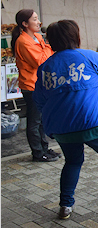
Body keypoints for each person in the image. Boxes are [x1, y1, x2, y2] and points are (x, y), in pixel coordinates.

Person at [33, 20, 98, 220]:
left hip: (63, 127)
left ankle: (65, 205)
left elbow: (39, 101)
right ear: (75, 37)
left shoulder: (45, 67)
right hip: (93, 121)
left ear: (50, 41)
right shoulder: (88, 56)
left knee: (72, 162)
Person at [12, 9, 58, 162]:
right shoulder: (23, 41)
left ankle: (44, 148)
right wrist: (46, 48)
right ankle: (38, 152)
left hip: (40, 84)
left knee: (42, 119)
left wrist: (45, 48)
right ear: (25, 24)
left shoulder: (38, 37)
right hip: (30, 86)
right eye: (35, 19)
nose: (39, 22)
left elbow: (49, 54)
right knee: (34, 121)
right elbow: (40, 61)